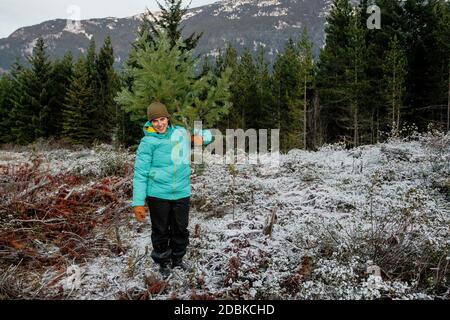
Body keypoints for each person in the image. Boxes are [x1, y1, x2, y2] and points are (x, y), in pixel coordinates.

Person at [132, 101, 212, 277]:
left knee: (180, 229)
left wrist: (202, 138)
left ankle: (177, 259)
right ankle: (163, 262)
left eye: (162, 119)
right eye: (155, 121)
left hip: (181, 192)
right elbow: (140, 173)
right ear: (150, 123)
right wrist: (138, 202)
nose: (159, 124)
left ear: (167, 118)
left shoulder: (180, 133)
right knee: (160, 231)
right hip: (157, 194)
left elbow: (205, 133)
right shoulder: (148, 142)